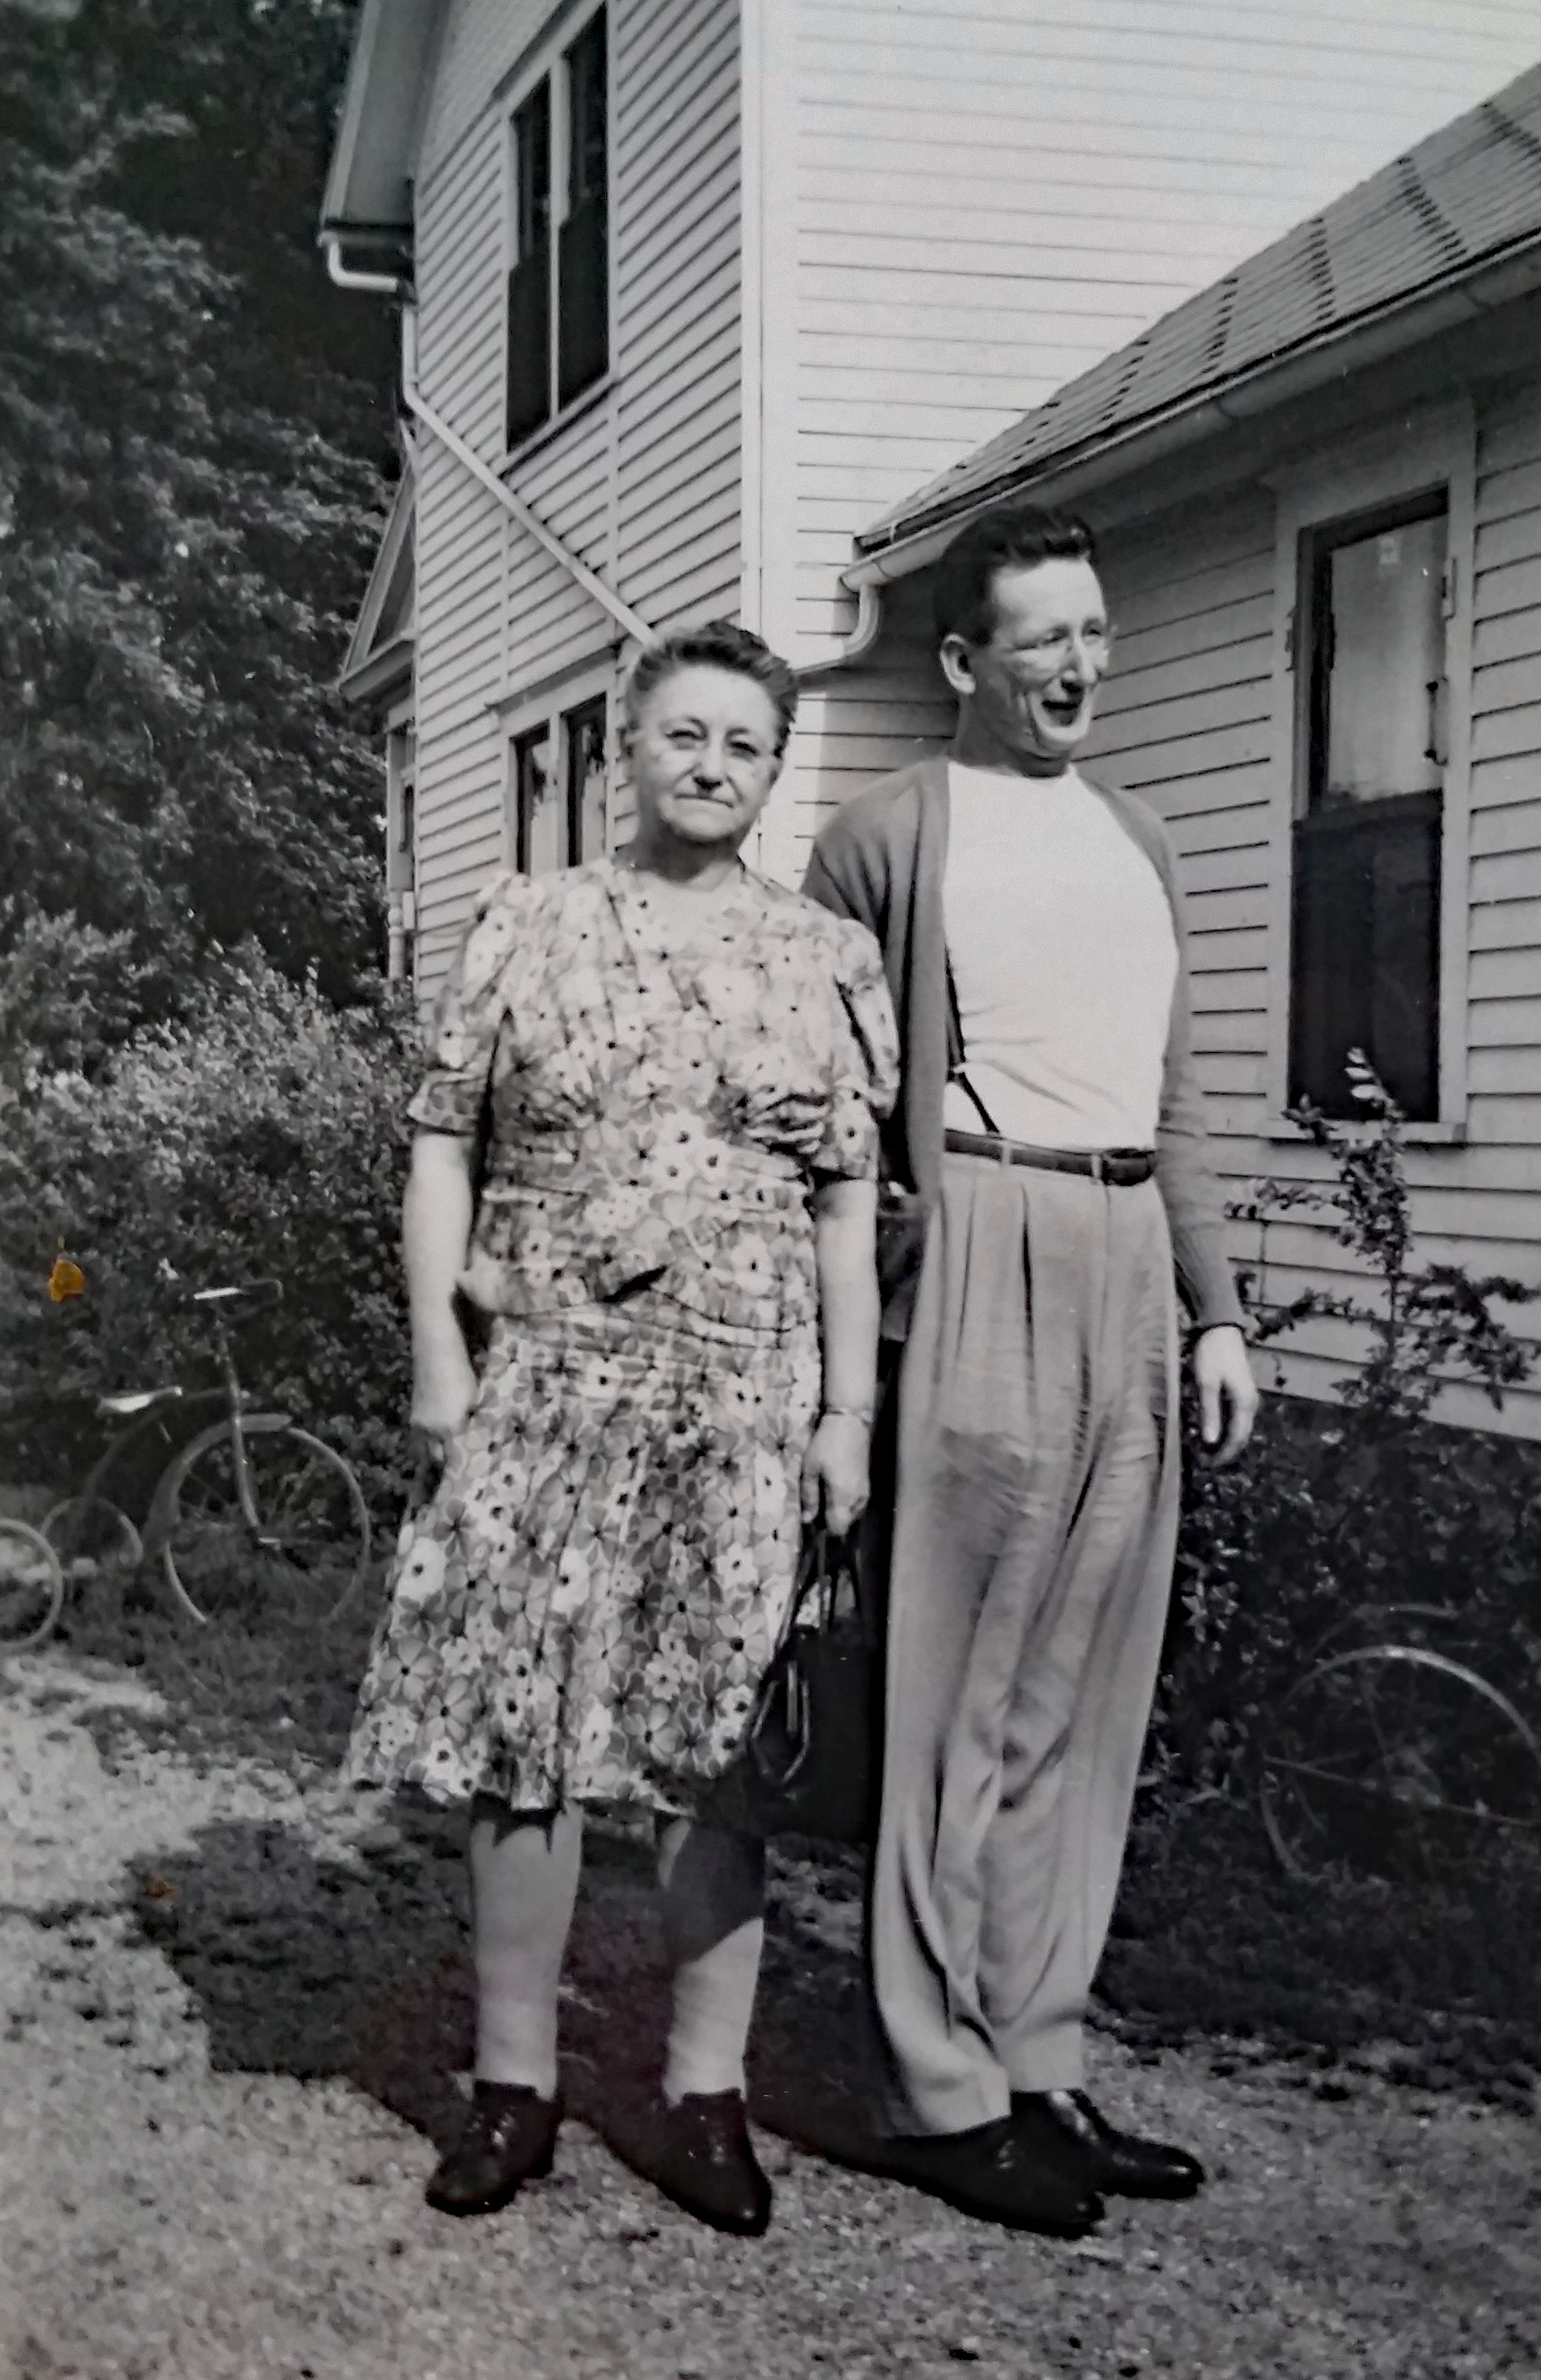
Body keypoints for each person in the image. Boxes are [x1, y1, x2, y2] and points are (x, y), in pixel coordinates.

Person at [346, 619, 898, 2238]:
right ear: (623, 751)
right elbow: (440, 1149)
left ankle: (703, 2094)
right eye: (684, 737)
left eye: (744, 745)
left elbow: (851, 1211)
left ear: (774, 774)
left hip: (742, 1393)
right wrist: (439, 1364)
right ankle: (512, 2088)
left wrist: (846, 1419)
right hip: (547, 1374)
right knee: (522, 1744)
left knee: (715, 1754)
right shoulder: (528, 923)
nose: (712, 766)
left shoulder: (823, 962)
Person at [804, 507, 1258, 2239]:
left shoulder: (1136, 839)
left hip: (1128, 1260)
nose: (1078, 665)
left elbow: (1178, 1100)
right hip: (981, 1249)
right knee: (954, 1689)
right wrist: (887, 1287)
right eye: (1041, 639)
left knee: (1083, 1692)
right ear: (960, 665)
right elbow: (829, 1095)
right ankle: (937, 2088)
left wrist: (1213, 1311)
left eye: (1093, 632)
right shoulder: (887, 836)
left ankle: (1039, 2055)